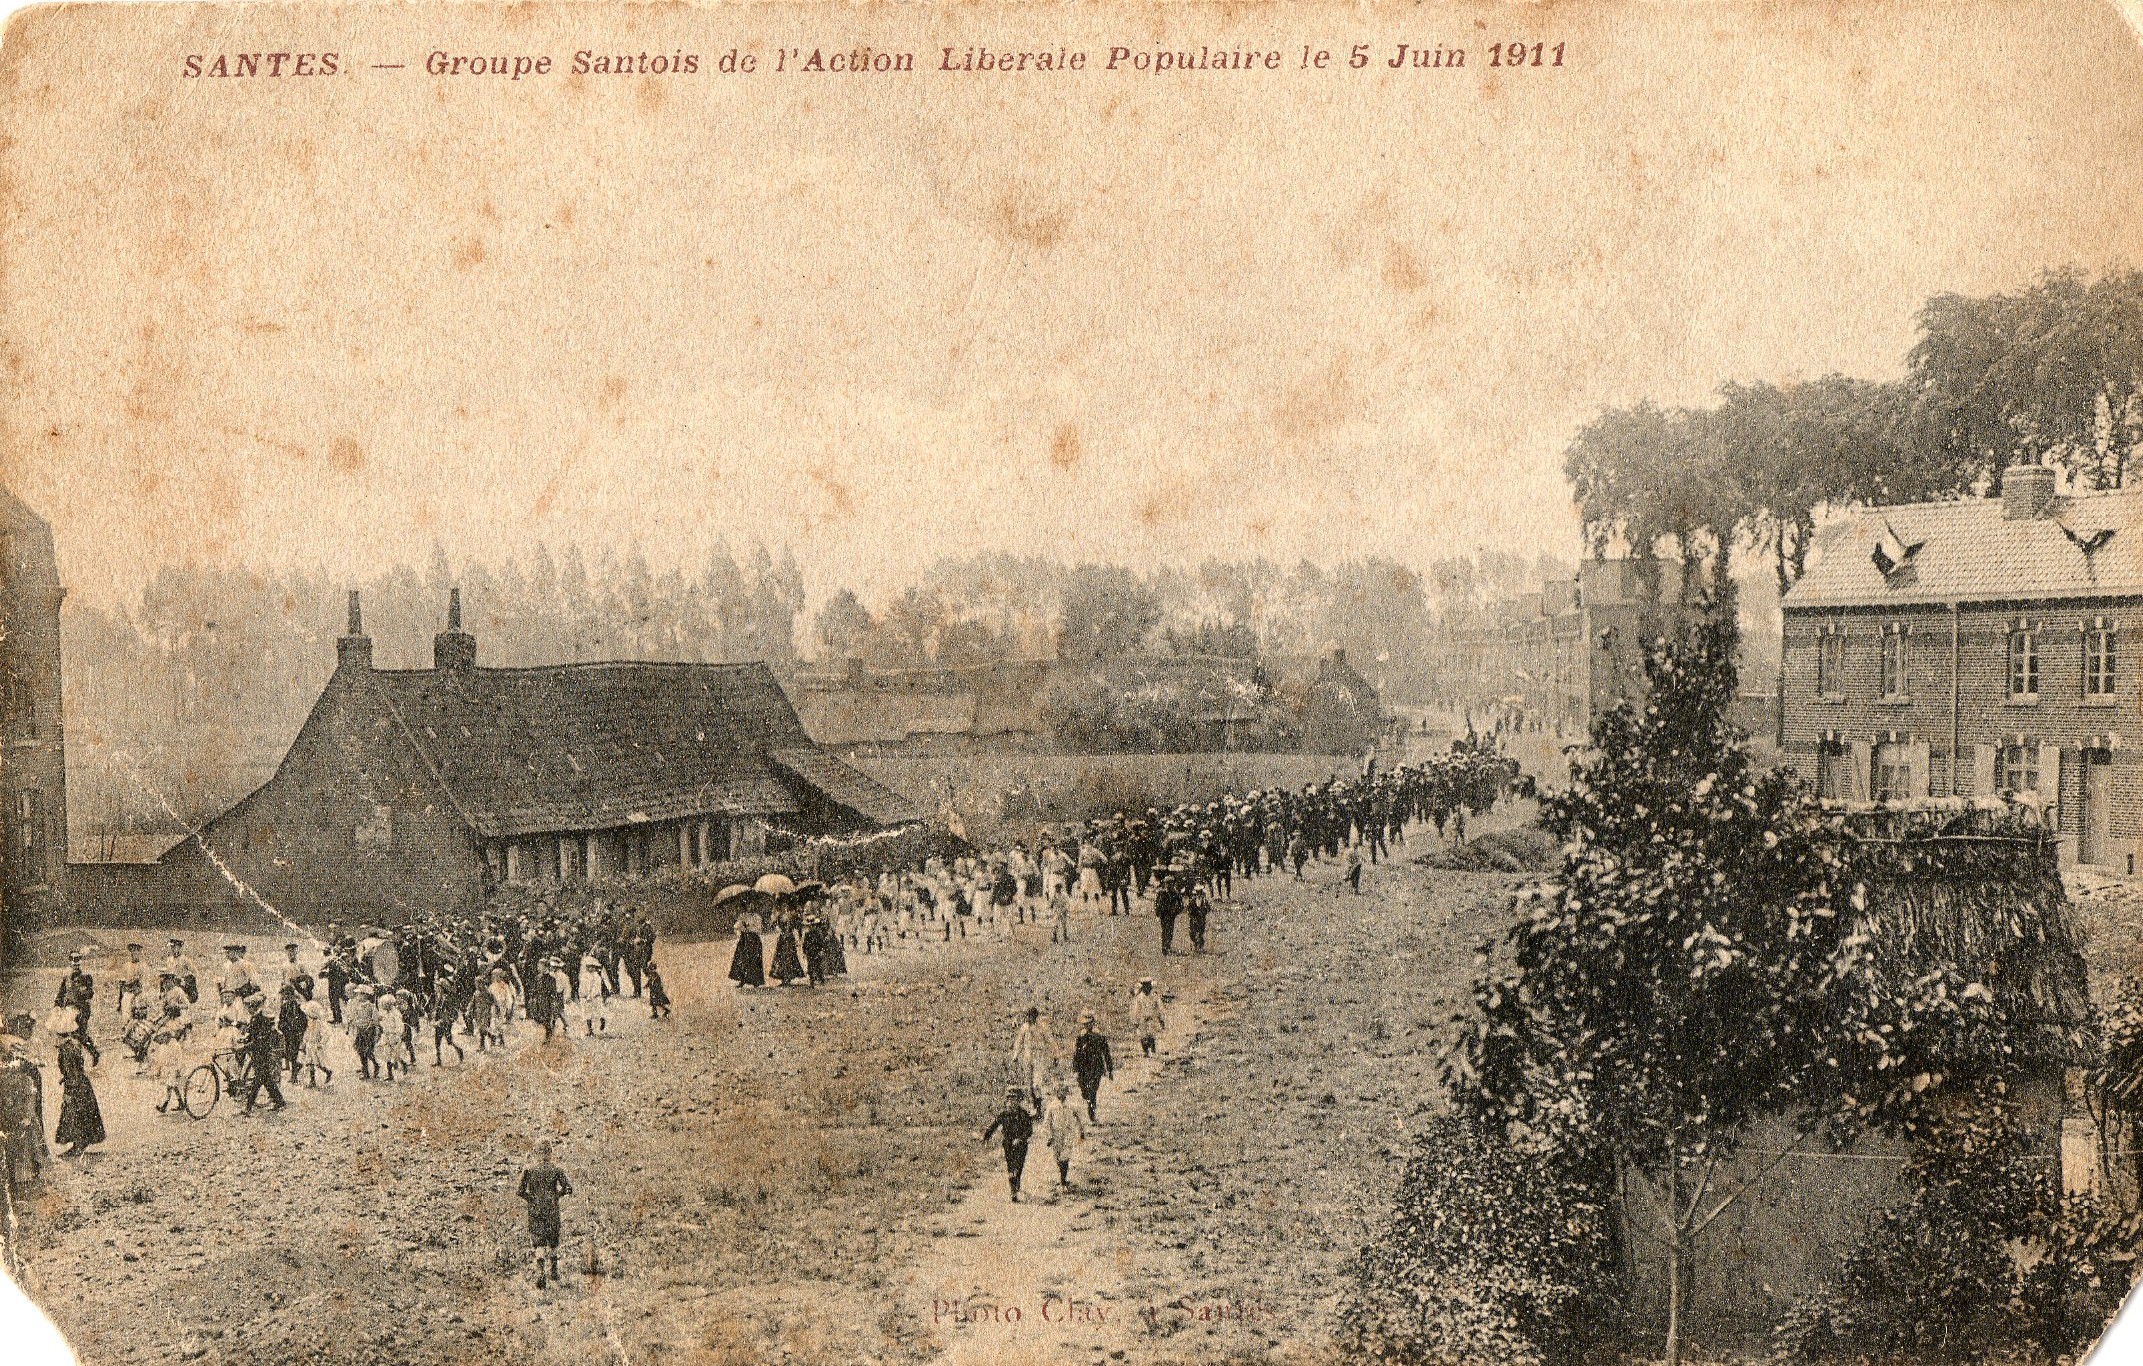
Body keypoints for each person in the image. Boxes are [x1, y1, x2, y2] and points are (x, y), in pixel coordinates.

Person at [517, 1142, 574, 1289]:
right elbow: (568, 1188)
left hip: (535, 1208)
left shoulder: (528, 1170)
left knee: (539, 1241)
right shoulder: (556, 1170)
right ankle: (554, 1271)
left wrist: (531, 1199)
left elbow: (520, 1191)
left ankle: (541, 1271)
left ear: (536, 1153)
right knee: (553, 1240)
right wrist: (556, 1195)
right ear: (550, 1153)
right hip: (552, 1208)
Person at [49, 1008, 105, 1157]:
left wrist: (68, 1090)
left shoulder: (65, 1050)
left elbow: (70, 1071)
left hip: (75, 1085)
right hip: (82, 1082)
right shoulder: (74, 1044)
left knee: (75, 1114)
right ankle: (80, 1143)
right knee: (84, 1113)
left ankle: (78, 1146)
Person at [980, 1086, 1034, 1203]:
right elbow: (994, 1126)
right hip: (1008, 1143)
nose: (1012, 1102)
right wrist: (985, 1137)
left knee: (1019, 1166)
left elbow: (1029, 1130)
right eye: (1009, 1099)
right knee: (1011, 1166)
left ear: (1019, 1100)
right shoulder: (1004, 1114)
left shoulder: (1024, 1114)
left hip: (1021, 1144)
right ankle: (1013, 1192)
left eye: (1014, 1099)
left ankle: (1016, 1184)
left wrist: (1020, 1138)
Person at [238, 990, 287, 1114]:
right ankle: (280, 1101)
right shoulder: (256, 1018)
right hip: (257, 1052)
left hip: (263, 1052)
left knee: (258, 1080)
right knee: (266, 1080)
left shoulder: (263, 1019)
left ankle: (248, 1107)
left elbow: (260, 1040)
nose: (248, 1009)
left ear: (254, 1006)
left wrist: (245, 1047)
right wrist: (245, 1039)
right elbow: (253, 1035)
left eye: (249, 1007)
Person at [1040, 1082, 1086, 1193]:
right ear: (1055, 1093)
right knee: (1057, 1157)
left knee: (1065, 1156)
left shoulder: (1072, 1105)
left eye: (1064, 1091)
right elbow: (1046, 1123)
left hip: (1068, 1133)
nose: (1061, 1094)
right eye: (1059, 1091)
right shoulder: (1052, 1106)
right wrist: (1048, 1136)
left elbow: (1080, 1119)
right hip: (1056, 1134)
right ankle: (1062, 1175)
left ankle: (1063, 1181)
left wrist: (1081, 1131)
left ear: (1067, 1092)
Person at [1071, 1011, 1115, 1122]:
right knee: (1084, 1091)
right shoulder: (1081, 1036)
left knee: (1092, 1092)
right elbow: (1077, 1053)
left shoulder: (1099, 1036)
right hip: (1083, 1068)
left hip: (1096, 1068)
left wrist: (1110, 1070)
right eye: (1085, 1024)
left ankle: (1092, 1115)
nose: (1087, 1025)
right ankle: (1089, 1101)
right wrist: (1075, 1067)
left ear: (1093, 1023)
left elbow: (1106, 1053)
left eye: (1089, 1023)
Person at [728, 914, 766, 989]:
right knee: (742, 960)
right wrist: (742, 927)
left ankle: (756, 981)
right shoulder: (742, 916)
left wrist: (749, 927)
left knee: (754, 960)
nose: (750, 906)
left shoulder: (756, 917)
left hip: (754, 940)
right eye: (748, 905)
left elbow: (759, 929)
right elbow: (736, 927)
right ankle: (742, 980)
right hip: (744, 940)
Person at [578, 953, 609, 1035]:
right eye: (588, 966)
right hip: (585, 998)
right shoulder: (584, 976)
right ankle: (590, 1030)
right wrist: (582, 994)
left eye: (591, 966)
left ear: (595, 967)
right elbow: (582, 986)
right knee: (587, 1014)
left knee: (598, 1011)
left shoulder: (596, 977)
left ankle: (602, 1020)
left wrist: (590, 995)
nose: (589, 968)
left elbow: (596, 988)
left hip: (595, 997)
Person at [1132, 978, 1164, 1057]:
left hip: (1152, 1019)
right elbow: (1136, 1010)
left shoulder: (1155, 996)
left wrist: (1161, 1019)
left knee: (1152, 1035)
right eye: (1146, 986)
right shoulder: (1139, 997)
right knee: (1143, 1036)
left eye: (1149, 986)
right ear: (1143, 986)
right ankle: (1145, 1052)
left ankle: (1153, 1051)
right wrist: (1136, 1021)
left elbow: (1160, 1008)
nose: (1148, 988)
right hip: (1143, 1020)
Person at [1186, 880, 1212, 952]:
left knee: (1200, 932)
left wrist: (1203, 911)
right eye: (1197, 891)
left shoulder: (1204, 900)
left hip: (1201, 918)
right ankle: (1196, 944)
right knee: (1193, 933)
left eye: (1200, 891)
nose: (1198, 892)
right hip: (1193, 918)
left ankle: (1199, 946)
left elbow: (1208, 909)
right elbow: (1189, 909)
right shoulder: (1192, 900)